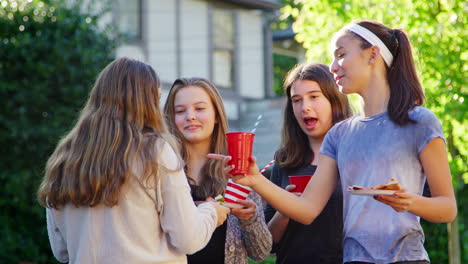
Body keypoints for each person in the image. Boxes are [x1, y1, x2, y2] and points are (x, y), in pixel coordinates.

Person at [211, 20, 457, 264]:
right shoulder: (339, 135)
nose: (333, 66)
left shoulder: (419, 122)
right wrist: (253, 178)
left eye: (340, 55)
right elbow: (307, 210)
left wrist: (410, 202)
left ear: (372, 54)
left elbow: (447, 209)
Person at [37, 57, 230, 264]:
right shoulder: (156, 150)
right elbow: (188, 239)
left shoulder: (64, 157)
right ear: (146, 101)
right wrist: (211, 212)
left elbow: (61, 251)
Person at [163, 77, 272, 264]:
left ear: (216, 116)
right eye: (180, 111)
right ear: (171, 119)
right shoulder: (162, 169)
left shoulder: (237, 171)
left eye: (199, 108)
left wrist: (249, 219)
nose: (190, 116)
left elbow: (261, 252)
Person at [265, 63, 352, 264]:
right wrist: (285, 210)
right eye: (297, 100)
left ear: (334, 99)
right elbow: (267, 244)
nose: (305, 107)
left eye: (314, 97)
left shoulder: (356, 153)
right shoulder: (284, 160)